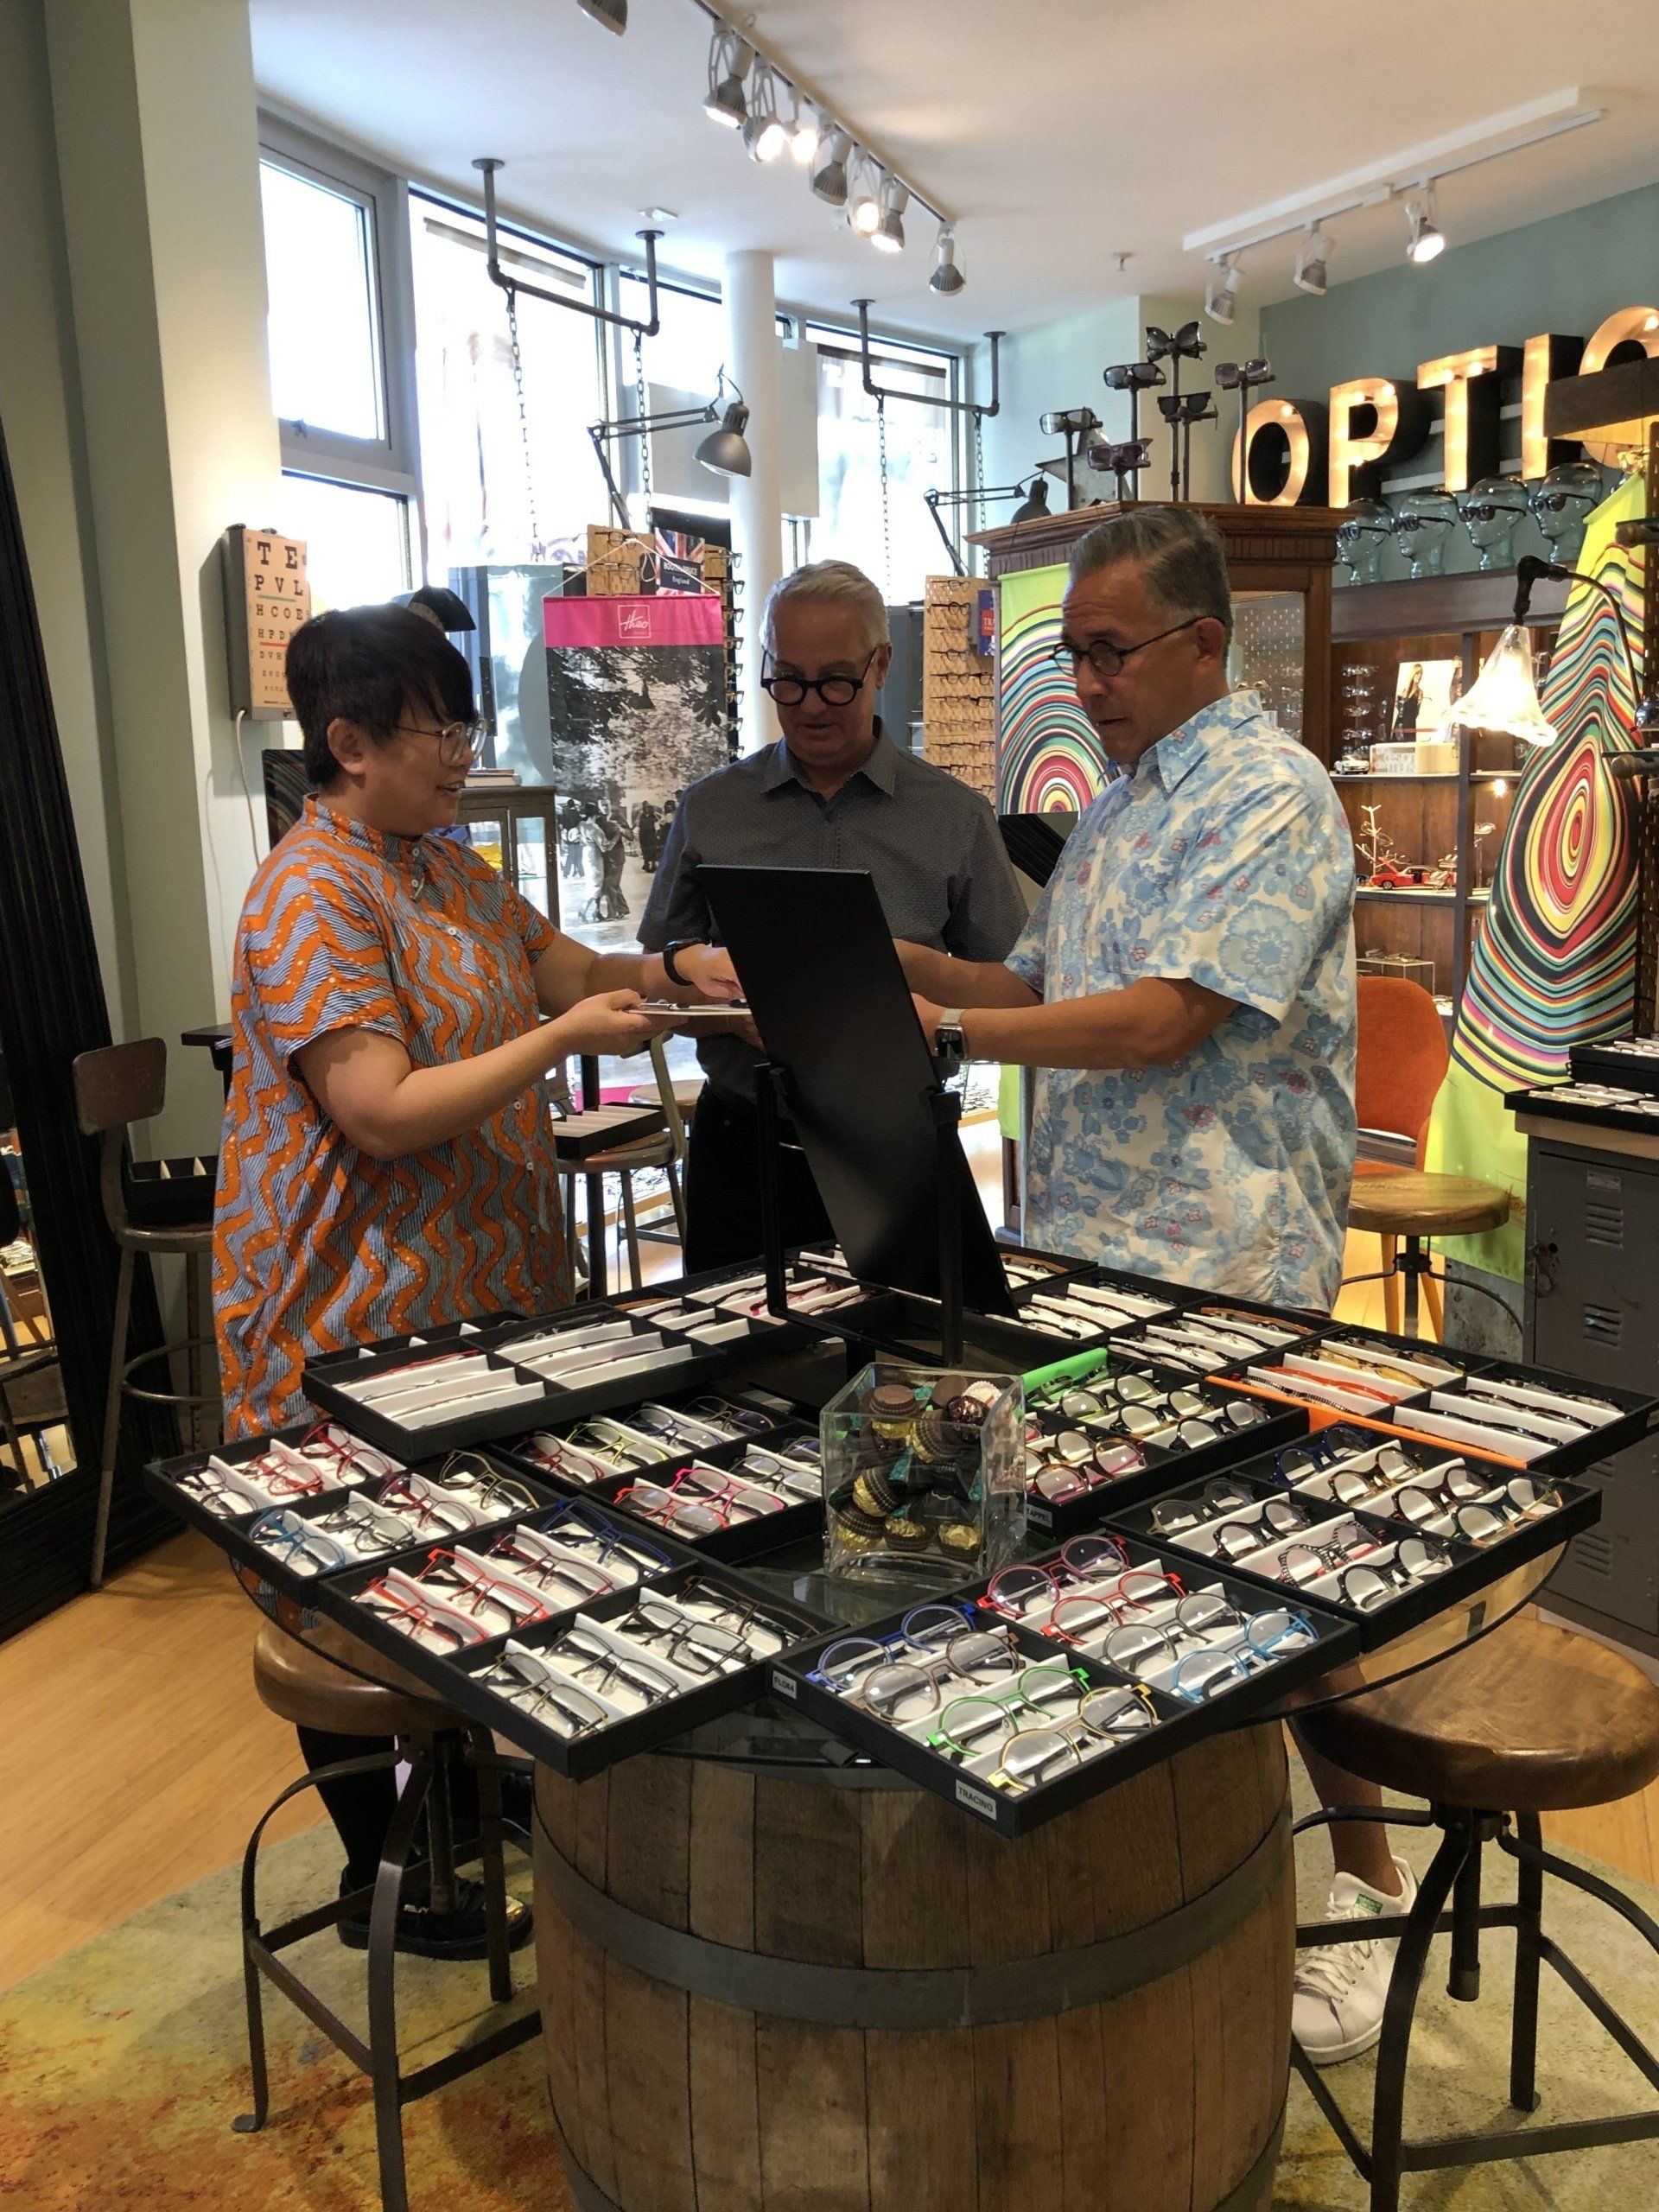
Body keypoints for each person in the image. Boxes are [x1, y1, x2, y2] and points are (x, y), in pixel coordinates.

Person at [901, 506, 1400, 2068]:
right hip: (1090, 1263)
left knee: (1274, 1577)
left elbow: (1163, 1022)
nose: (1088, 681)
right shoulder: (1115, 813)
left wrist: (955, 1037)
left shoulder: (1275, 797)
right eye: (1072, 654)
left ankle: (1370, 1887)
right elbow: (1042, 987)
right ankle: (1171, 1863)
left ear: (1205, 642)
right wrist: (885, 966)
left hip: (1224, 1270)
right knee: (1130, 1578)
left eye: (1109, 651)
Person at [212, 605, 734, 1953]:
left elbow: (575, 968)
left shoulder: (444, 868)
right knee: (357, 1574)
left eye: (462, 726)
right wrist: (561, 1035)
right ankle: (381, 1870)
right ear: (347, 744)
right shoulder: (310, 891)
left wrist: (683, 972)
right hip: (343, 1308)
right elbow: (378, 1108)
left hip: (471, 1298)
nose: (460, 753)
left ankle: (458, 1808)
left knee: (473, 1558)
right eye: (435, 730)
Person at [639, 558, 1027, 1271]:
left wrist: (913, 993)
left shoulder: (954, 817)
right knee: (731, 1360)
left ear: (881, 665)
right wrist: (726, 1006)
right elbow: (657, 973)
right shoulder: (712, 808)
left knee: (911, 1361)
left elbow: (1009, 985)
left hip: (897, 1142)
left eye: (836, 681)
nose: (811, 704)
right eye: (788, 680)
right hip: (745, 1137)